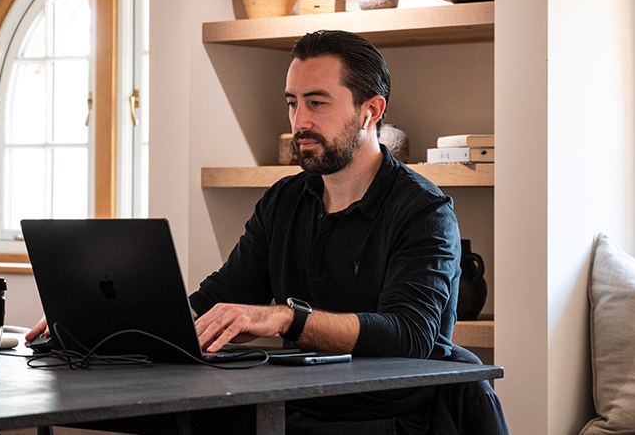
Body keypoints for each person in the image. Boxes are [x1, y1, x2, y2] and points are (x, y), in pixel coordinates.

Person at [28, 29, 507, 434]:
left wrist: (284, 318)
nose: (300, 122)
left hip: (390, 419)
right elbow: (220, 299)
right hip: (293, 410)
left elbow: (410, 335)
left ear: (371, 110)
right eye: (293, 103)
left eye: (317, 103)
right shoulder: (284, 200)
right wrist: (105, 323)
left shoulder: (423, 210)